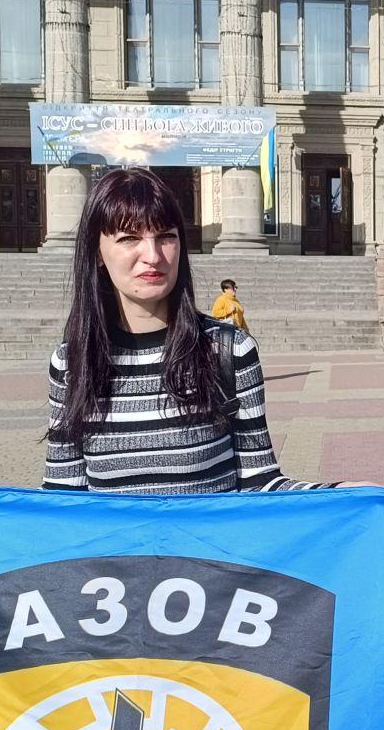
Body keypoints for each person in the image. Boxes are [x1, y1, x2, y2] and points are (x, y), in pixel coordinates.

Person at [44, 168, 318, 493]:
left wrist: (347, 497)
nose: (153, 256)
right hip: (119, 547)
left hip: (207, 544)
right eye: (129, 238)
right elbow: (63, 495)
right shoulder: (71, 363)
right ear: (97, 253)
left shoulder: (227, 350)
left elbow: (260, 481)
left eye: (166, 236)